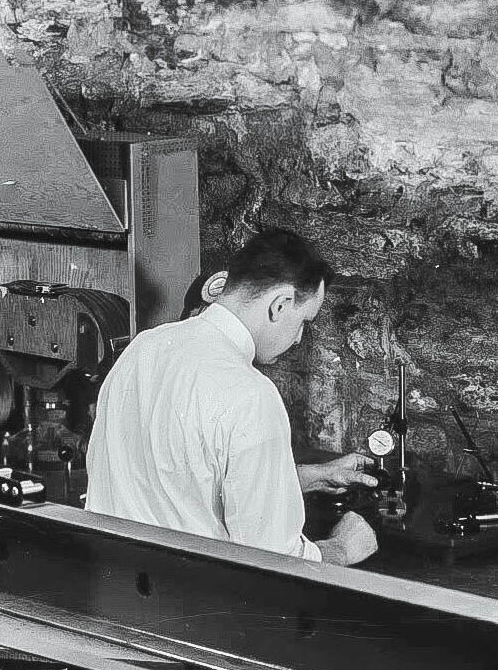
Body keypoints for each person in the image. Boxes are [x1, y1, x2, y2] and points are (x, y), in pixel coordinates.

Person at [85, 228, 378, 566]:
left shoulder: (143, 348)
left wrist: (305, 477)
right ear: (280, 305)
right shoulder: (252, 395)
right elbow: (277, 562)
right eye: (303, 322)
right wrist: (343, 547)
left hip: (110, 578)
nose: (299, 338)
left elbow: (175, 482)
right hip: (192, 593)